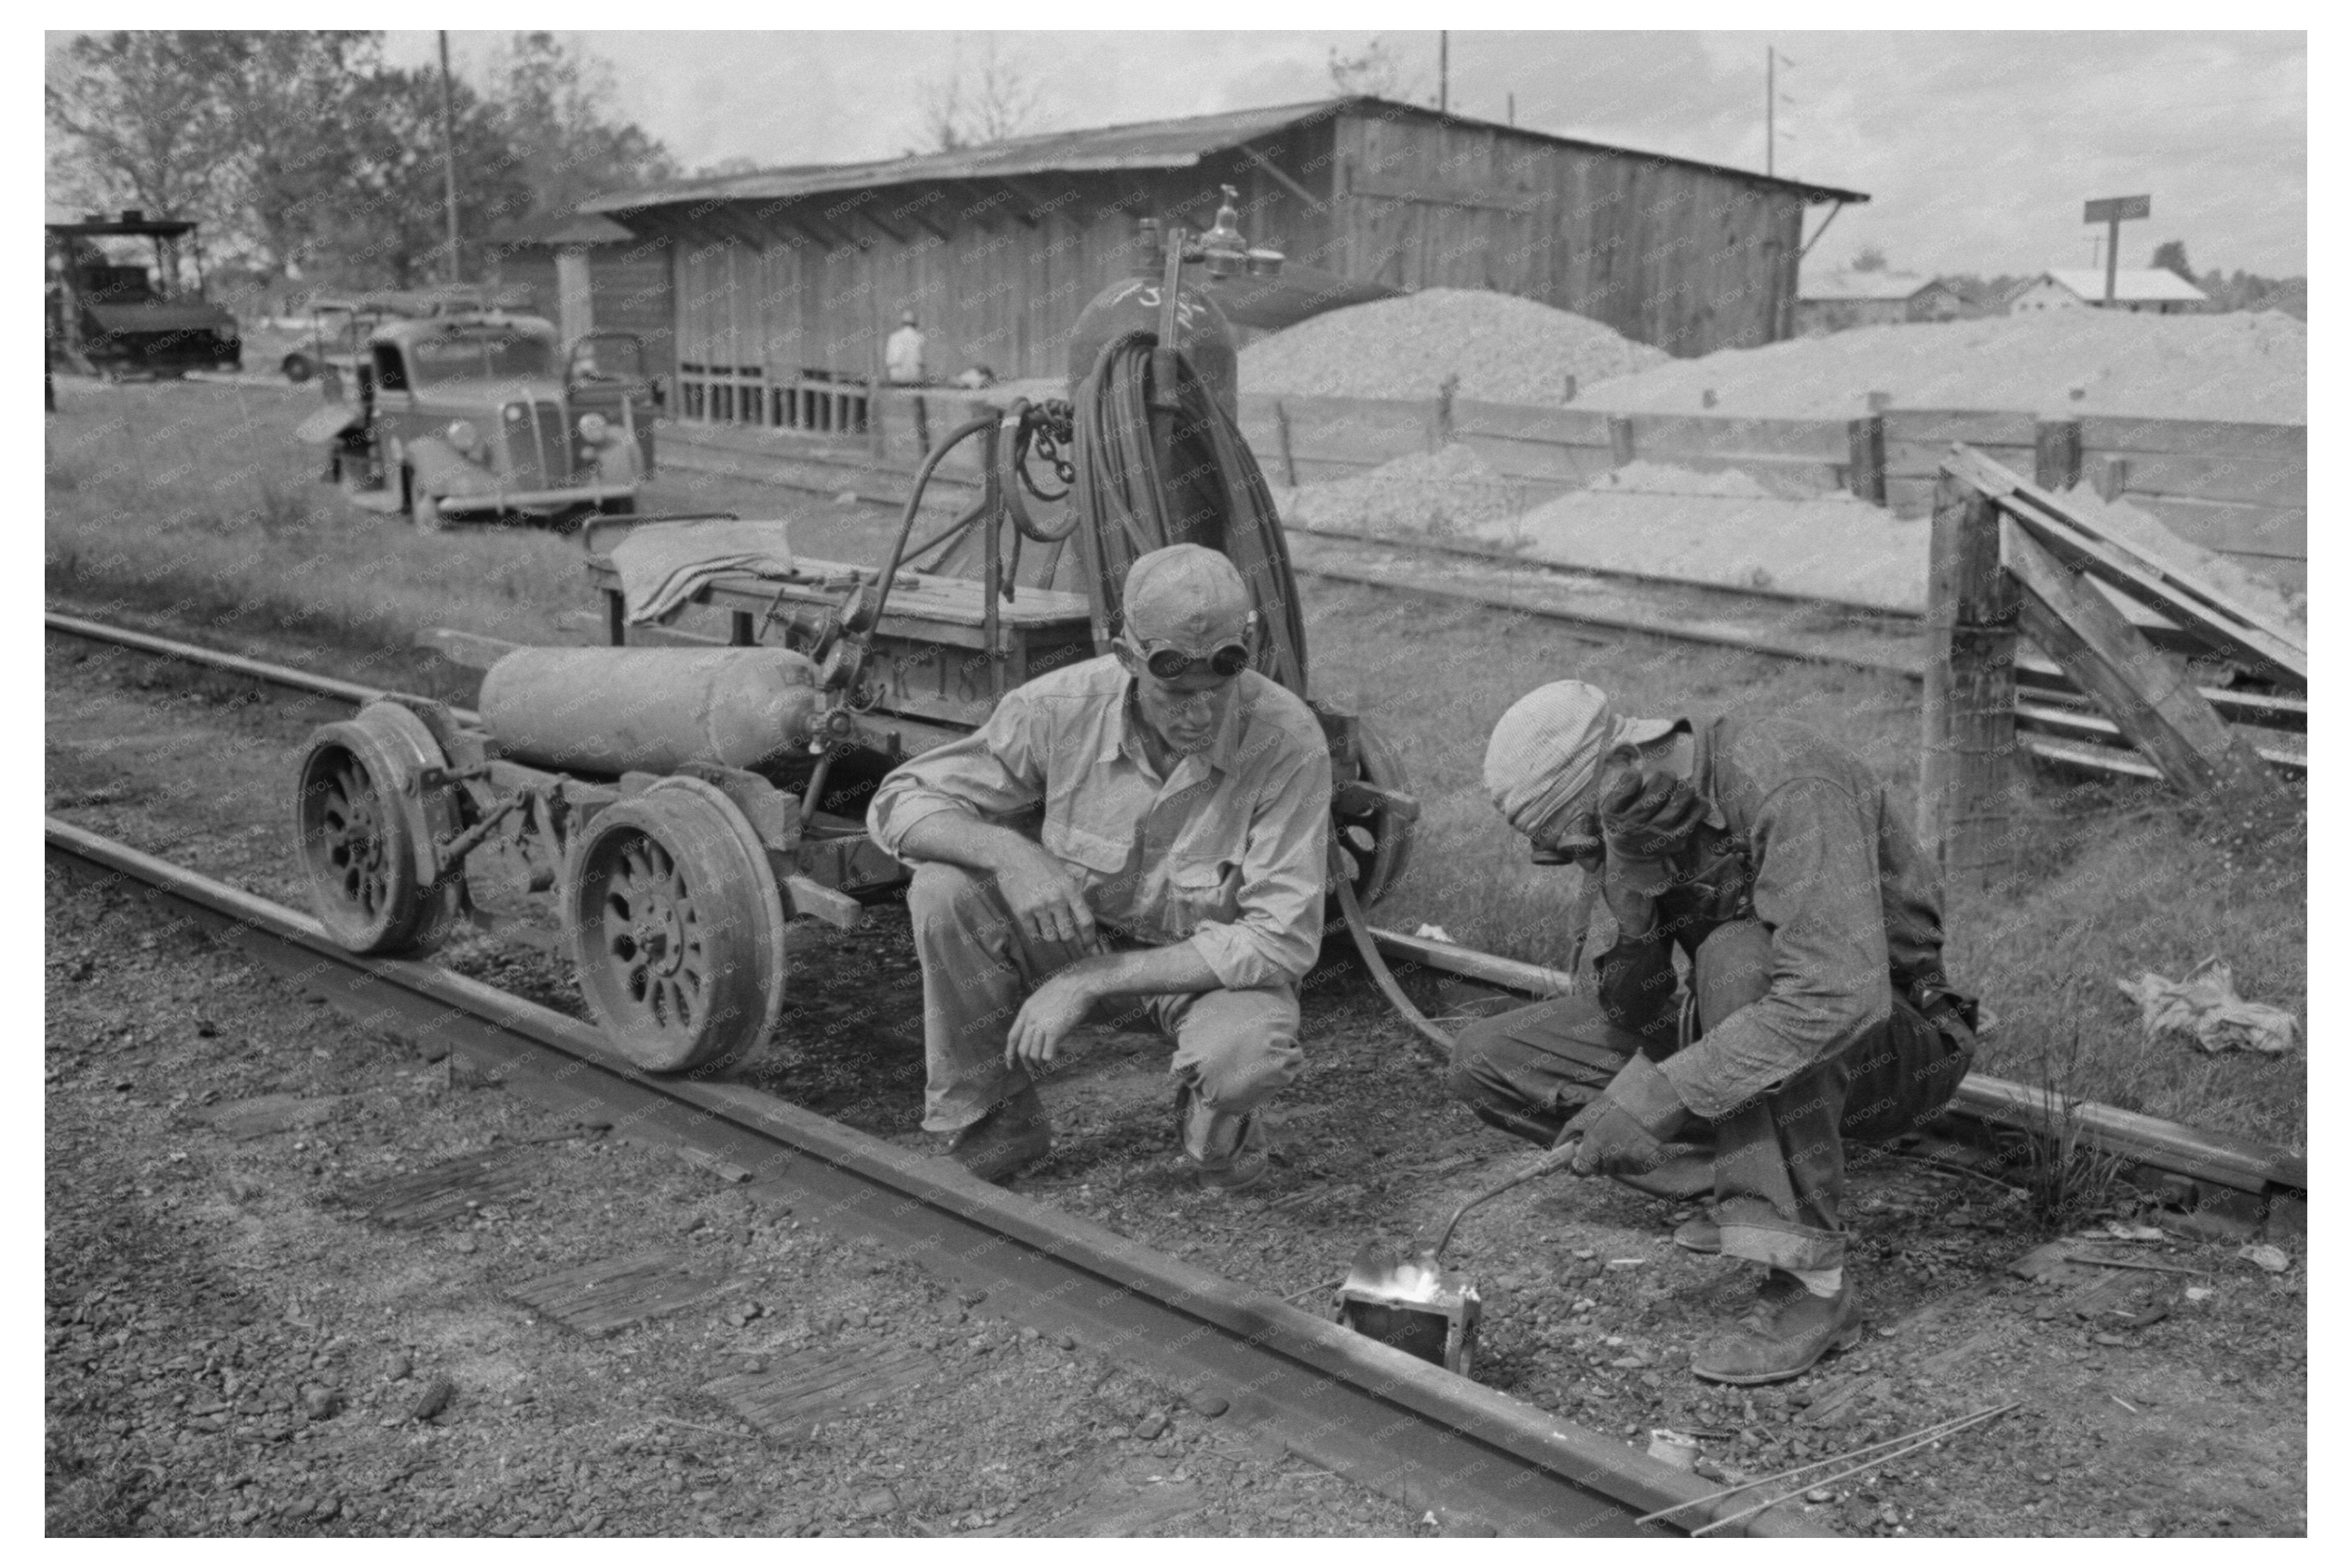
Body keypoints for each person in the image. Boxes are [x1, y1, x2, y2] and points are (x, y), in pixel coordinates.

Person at [1450, 680, 1980, 1385]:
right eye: (1570, 854)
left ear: (1623, 765)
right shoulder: (1624, 817)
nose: (1584, 861)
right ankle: (1743, 1185)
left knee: (1735, 956)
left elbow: (1837, 996)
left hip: (1893, 1043)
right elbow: (1624, 1010)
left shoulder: (1786, 777)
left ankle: (1813, 1287)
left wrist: (1660, 1095)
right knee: (1487, 1059)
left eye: (1579, 845)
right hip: (1745, 1026)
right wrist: (1632, 891)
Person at [867, 544, 1333, 1191]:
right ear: (1127, 658)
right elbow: (900, 801)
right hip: (1068, 941)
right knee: (944, 887)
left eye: (1216, 691)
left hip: (1198, 973)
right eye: (1174, 692)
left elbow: (1281, 938)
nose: (1197, 716)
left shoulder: (1287, 739)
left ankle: (1213, 1116)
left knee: (1244, 1058)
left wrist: (1091, 979)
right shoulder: (1060, 707)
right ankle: (996, 1117)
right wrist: (1012, 853)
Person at [885, 308, 929, 452]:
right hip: (915, 379)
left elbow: (890, 361)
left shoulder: (894, 337)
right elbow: (922, 362)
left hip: (897, 378)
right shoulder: (920, 337)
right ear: (915, 324)